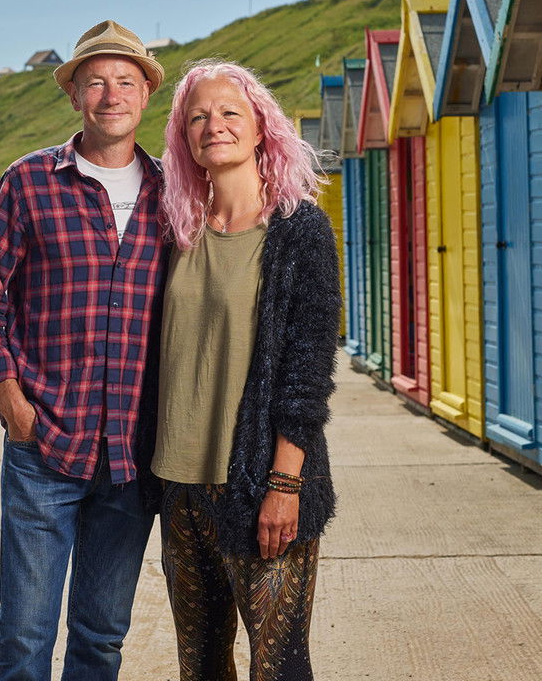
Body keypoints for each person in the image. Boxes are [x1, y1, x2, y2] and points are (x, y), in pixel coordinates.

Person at [0, 20, 167, 681]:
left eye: (126, 82)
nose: (112, 94)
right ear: (75, 95)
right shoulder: (28, 182)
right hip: (43, 446)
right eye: (96, 82)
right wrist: (11, 401)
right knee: (24, 636)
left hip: (134, 457)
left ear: (145, 95)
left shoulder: (174, 194)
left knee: (101, 637)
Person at [152, 60, 341, 681]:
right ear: (184, 138)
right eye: (198, 116)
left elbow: (307, 372)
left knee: (278, 667)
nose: (214, 125)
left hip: (261, 484)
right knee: (199, 665)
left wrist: (285, 486)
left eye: (230, 112)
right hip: (178, 487)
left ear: (262, 127)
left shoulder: (300, 229)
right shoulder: (174, 230)